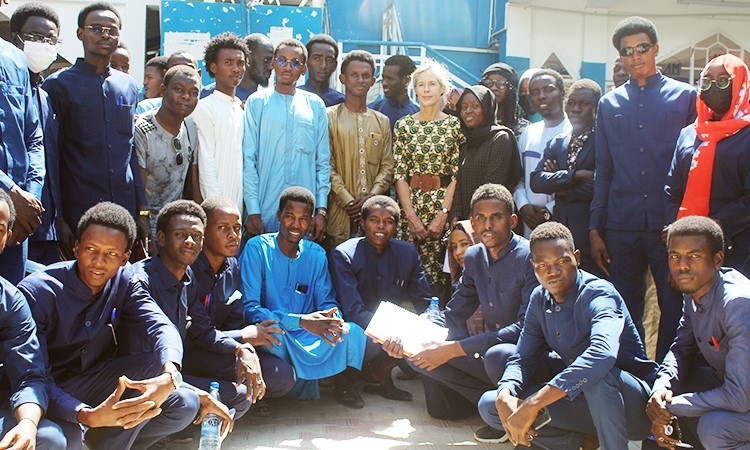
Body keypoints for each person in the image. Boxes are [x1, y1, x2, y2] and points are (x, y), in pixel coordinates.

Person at [17, 202, 209, 449]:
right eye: (90, 249)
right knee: (63, 439)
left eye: (111, 254)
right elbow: (34, 377)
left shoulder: (125, 279)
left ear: (125, 258)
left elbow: (160, 327)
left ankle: (108, 445)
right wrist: (85, 414)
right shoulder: (39, 291)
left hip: (96, 380)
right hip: (49, 390)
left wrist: (171, 374)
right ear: (76, 247)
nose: (98, 261)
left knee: (179, 397)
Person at [478, 221, 657, 450]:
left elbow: (602, 355)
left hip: (630, 407)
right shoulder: (539, 297)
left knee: (599, 376)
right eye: (542, 265)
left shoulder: (599, 293)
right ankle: (582, 443)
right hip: (581, 399)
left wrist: (535, 402)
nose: (552, 272)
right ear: (533, 266)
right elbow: (523, 357)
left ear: (577, 257)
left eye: (561, 262)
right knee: (491, 405)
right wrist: (506, 392)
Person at [385, 184, 537, 432]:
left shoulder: (529, 257)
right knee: (417, 355)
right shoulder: (475, 256)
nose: (487, 225)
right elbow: (454, 314)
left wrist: (454, 349)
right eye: (480, 218)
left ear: (513, 221)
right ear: (473, 223)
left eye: (496, 217)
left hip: (521, 356)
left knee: (497, 355)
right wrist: (407, 337)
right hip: (490, 356)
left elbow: (525, 329)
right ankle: (495, 409)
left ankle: (514, 408)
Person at [590, 16, 697, 361]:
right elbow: (604, 170)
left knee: (674, 302)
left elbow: (691, 167)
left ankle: (666, 377)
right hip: (621, 223)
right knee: (623, 302)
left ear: (656, 49)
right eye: (627, 52)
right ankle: (631, 374)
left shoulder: (685, 98)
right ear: (619, 58)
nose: (635, 56)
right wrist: (595, 227)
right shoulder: (609, 104)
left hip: (669, 225)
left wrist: (685, 222)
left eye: (642, 48)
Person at [130, 200, 261, 427]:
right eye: (180, 234)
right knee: (188, 402)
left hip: (175, 370)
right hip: (144, 375)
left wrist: (241, 348)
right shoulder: (140, 279)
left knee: (240, 396)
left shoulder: (187, 279)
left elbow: (203, 332)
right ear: (161, 238)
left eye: (196, 236)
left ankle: (185, 432)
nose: (190, 242)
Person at [240, 187, 367, 408]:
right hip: (277, 331)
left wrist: (331, 318)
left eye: (303, 219)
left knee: (352, 332)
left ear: (311, 222)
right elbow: (250, 308)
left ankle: (345, 386)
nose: (296, 225)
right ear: (279, 216)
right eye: (290, 216)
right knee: (272, 340)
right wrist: (299, 322)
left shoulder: (316, 254)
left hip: (310, 333)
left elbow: (326, 300)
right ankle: (284, 386)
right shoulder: (257, 249)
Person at [43, 2, 148, 258]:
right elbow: (51, 158)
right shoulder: (58, 86)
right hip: (79, 209)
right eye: (96, 28)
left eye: (112, 30)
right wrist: (58, 219)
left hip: (123, 209)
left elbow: (130, 150)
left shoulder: (128, 86)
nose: (105, 35)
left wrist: (142, 210)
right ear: (80, 33)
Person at [647, 216, 750, 449]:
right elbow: (681, 349)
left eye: (694, 256)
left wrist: (670, 407)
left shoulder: (738, 304)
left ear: (717, 260)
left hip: (744, 395)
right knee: (670, 387)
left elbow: (740, 397)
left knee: (715, 427)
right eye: (675, 256)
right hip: (739, 388)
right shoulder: (694, 288)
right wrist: (662, 388)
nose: (682, 265)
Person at [188, 197, 295, 412]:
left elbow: (235, 320)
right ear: (204, 232)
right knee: (241, 385)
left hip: (224, 347)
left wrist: (245, 343)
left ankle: (233, 397)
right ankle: (200, 401)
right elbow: (199, 334)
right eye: (223, 228)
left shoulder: (233, 266)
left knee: (282, 375)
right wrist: (244, 339)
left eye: (237, 228)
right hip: (192, 353)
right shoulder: (189, 270)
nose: (233, 235)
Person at [331, 195, 432, 401]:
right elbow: (353, 310)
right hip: (354, 327)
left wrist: (430, 325)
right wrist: (392, 331)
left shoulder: (407, 253)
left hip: (389, 329)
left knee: (426, 343)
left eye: (388, 221)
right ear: (362, 224)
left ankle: (381, 375)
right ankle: (344, 383)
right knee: (355, 331)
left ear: (395, 226)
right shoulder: (344, 254)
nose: (381, 226)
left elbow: (425, 302)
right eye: (374, 220)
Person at [665, 53, 750, 278]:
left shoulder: (747, 134)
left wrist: (712, 228)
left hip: (736, 248)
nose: (714, 87)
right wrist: (679, 229)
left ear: (740, 85)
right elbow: (671, 191)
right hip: (686, 250)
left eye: (723, 81)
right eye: (707, 81)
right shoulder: (689, 134)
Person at [0, 189, 71, 450]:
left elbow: (29, 376)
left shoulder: (10, 301)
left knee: (51, 438)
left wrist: (27, 424)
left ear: (7, 238)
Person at [243, 39, 330, 241]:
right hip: (265, 208)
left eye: (295, 62)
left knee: (299, 265)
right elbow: (249, 160)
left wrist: (321, 210)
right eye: (282, 60)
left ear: (303, 69)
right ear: (273, 63)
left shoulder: (315, 106)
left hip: (304, 214)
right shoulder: (257, 103)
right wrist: (254, 210)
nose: (288, 67)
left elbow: (322, 163)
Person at [393, 59, 463, 301]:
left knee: (438, 280)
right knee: (406, 274)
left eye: (432, 84)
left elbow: (456, 174)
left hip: (440, 206)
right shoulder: (403, 126)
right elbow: (400, 173)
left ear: (442, 88)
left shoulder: (454, 125)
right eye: (421, 84)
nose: (426, 90)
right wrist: (410, 216)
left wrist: (443, 214)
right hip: (411, 206)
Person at [530, 79, 602, 276]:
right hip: (561, 237)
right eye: (571, 103)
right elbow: (536, 181)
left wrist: (559, 187)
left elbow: (600, 186)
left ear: (596, 108)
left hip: (590, 235)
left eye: (584, 104)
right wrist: (575, 175)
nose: (576, 109)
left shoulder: (604, 142)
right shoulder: (558, 142)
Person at [9, 2, 62, 267]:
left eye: (50, 40)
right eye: (34, 37)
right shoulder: (8, 87)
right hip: (9, 220)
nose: (43, 44)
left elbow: (41, 152)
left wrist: (35, 203)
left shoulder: (46, 96)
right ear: (15, 39)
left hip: (43, 223)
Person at [326, 50, 393, 249]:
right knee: (339, 265)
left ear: (373, 81)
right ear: (343, 78)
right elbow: (325, 165)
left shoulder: (382, 121)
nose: (360, 80)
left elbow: (387, 166)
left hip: (375, 214)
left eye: (365, 76)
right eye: (354, 75)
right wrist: (348, 200)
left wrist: (372, 198)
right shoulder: (329, 116)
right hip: (339, 212)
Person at [135, 66, 201, 249]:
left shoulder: (191, 127)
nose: (186, 97)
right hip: (149, 230)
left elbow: (192, 184)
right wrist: (145, 225)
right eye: (179, 90)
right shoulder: (142, 129)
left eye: (193, 92)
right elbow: (139, 188)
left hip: (177, 230)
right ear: (163, 90)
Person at [0, 20, 44, 283]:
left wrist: (30, 200)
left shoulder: (15, 59)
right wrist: (10, 195)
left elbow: (34, 136)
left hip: (19, 224)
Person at [191, 32, 249, 213]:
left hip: (240, 208)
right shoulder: (204, 108)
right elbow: (205, 162)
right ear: (213, 67)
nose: (236, 69)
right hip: (217, 208)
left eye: (240, 63)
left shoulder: (242, 109)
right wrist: (217, 207)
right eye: (228, 63)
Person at [450, 85, 521, 223]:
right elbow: (459, 185)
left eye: (475, 106)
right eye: (464, 107)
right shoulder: (466, 142)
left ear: (487, 108)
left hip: (490, 221)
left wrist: (473, 221)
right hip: (467, 223)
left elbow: (491, 187)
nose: (468, 111)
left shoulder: (500, 138)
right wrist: (455, 217)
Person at [514, 69, 571, 238]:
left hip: (562, 221)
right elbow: (519, 178)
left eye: (548, 89)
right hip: (529, 223)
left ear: (562, 92)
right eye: (535, 92)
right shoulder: (528, 133)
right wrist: (524, 206)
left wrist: (549, 210)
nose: (541, 96)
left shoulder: (573, 132)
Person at [200, 33, 274, 102]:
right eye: (266, 60)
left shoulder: (267, 98)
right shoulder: (209, 95)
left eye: (273, 61)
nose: (271, 67)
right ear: (248, 59)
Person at [368, 55, 420, 130]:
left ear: (406, 80)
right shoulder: (373, 111)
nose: (384, 83)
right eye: (383, 78)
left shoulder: (419, 114)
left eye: (389, 78)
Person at [480, 62, 529, 137]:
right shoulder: (473, 123)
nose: (493, 88)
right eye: (488, 82)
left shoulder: (524, 129)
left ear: (510, 89)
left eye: (501, 83)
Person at [298, 34, 345, 107]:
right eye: (317, 58)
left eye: (329, 60)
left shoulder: (341, 102)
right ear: (306, 62)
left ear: (335, 66)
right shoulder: (294, 97)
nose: (323, 65)